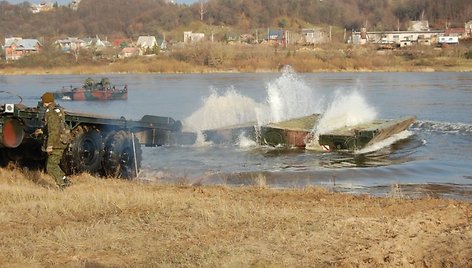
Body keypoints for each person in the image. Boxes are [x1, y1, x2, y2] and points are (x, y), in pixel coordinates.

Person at [35, 92, 71, 188]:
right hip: (61, 140)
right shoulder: (57, 110)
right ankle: (64, 179)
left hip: (57, 143)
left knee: (50, 166)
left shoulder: (51, 113)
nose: (42, 102)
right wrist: (42, 131)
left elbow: (53, 131)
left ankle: (62, 184)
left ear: (47, 101)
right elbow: (55, 127)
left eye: (43, 100)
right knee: (54, 164)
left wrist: (49, 146)